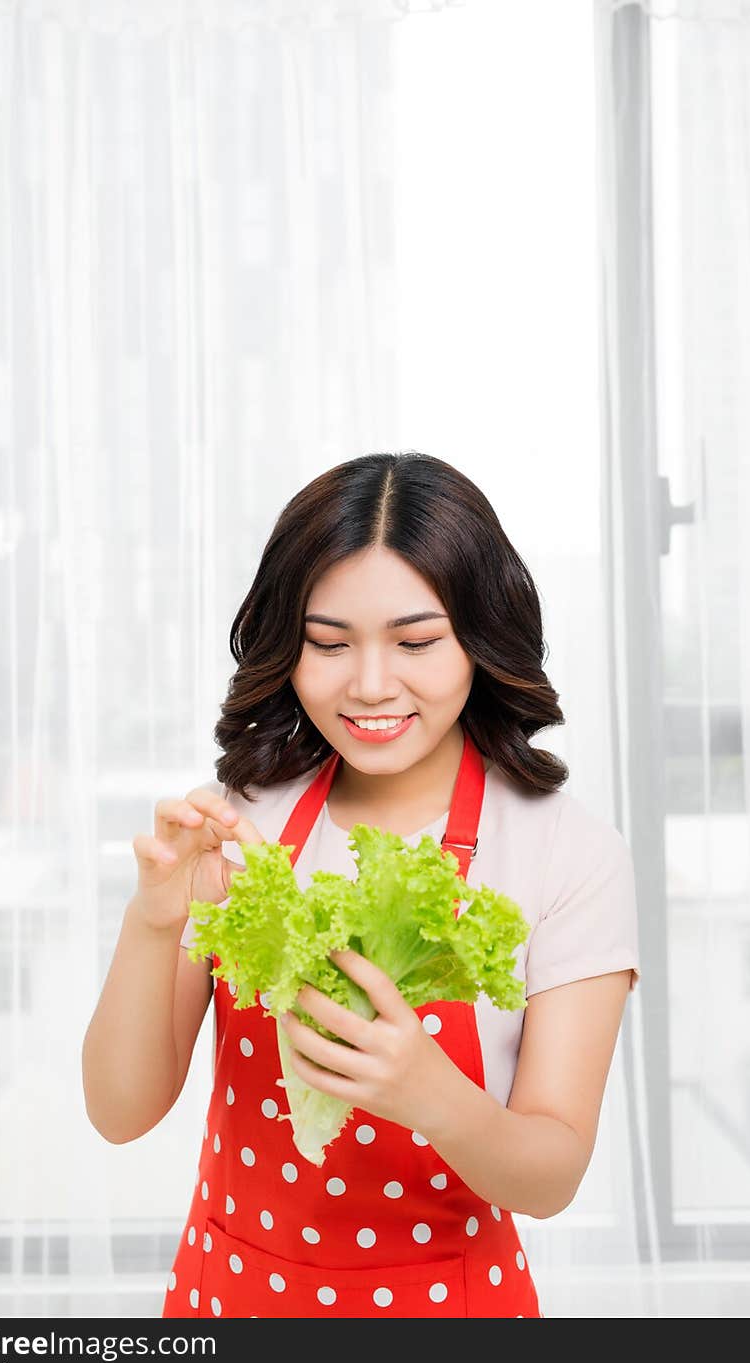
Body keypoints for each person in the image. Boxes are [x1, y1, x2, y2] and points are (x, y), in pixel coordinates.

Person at [82, 451, 640, 1319]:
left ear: (482, 639)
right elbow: (120, 1113)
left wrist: (428, 1095)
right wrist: (154, 923)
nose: (371, 685)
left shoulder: (567, 851)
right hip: (232, 1297)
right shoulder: (244, 823)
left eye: (416, 642)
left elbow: (552, 1176)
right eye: (329, 643)